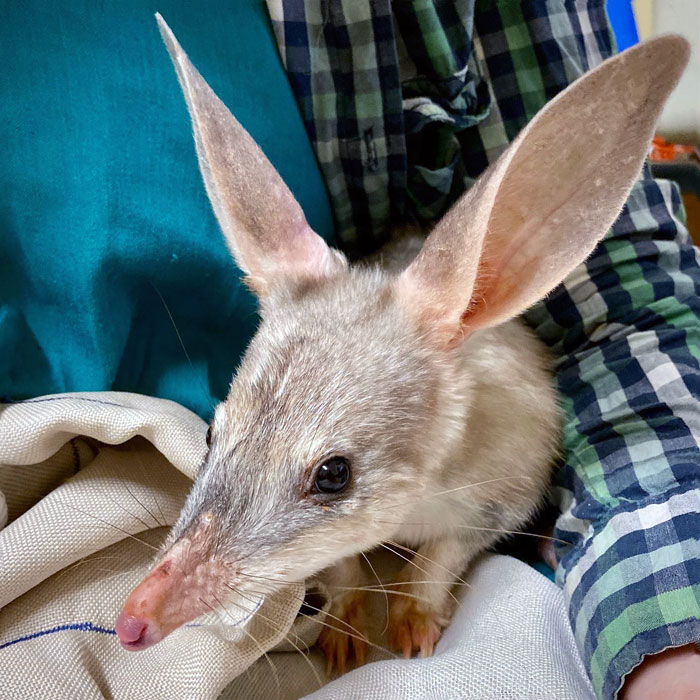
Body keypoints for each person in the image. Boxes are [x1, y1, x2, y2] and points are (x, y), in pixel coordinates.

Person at [2, 1, 699, 698]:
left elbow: (512, 488)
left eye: (330, 474)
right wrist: (340, 587)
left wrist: (424, 588)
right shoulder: (299, 303)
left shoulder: (472, 416)